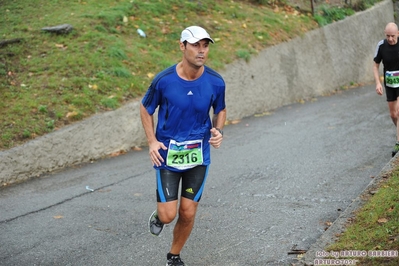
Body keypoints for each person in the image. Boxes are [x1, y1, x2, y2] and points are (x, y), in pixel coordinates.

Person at [140, 25, 226, 266]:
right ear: (182, 46)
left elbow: (220, 109)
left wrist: (218, 130)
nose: (201, 51)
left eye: (205, 45)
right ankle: (159, 216)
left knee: (188, 211)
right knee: (168, 215)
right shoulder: (164, 80)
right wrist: (152, 142)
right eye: (196, 45)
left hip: (198, 155)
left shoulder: (216, 82)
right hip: (168, 155)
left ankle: (174, 256)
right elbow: (146, 109)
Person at [373, 22, 399, 157]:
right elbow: (375, 66)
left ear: (398, 34)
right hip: (390, 84)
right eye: (388, 36)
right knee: (393, 115)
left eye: (393, 36)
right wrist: (378, 83)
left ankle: (398, 142)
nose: (390, 39)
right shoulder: (381, 46)